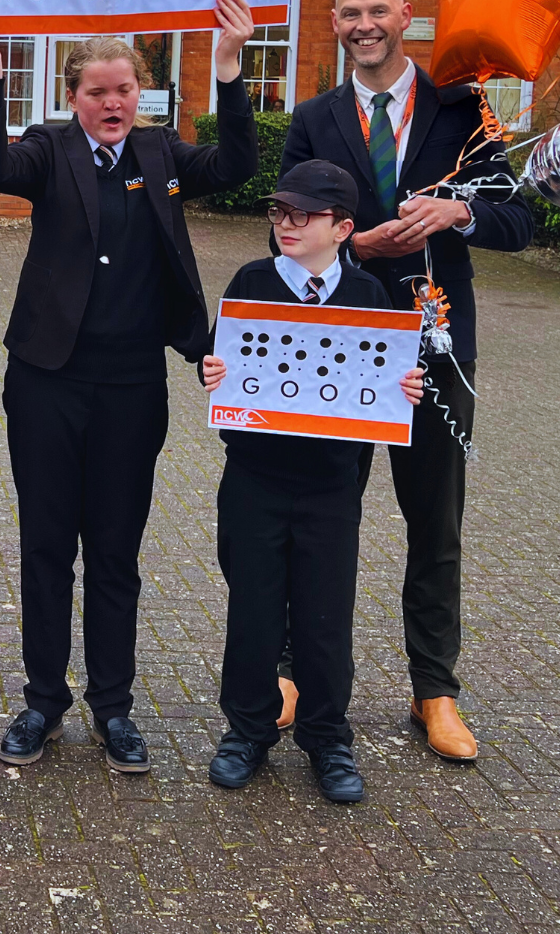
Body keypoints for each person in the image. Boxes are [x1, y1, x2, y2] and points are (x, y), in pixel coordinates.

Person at [0, 0, 259, 774]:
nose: (113, 102)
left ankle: (114, 707)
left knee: (117, 552)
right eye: (97, 91)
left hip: (132, 385)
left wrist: (228, 68)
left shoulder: (160, 155)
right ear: (72, 97)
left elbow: (235, 166)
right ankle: (42, 701)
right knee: (47, 544)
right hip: (47, 382)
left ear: (141, 93)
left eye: (124, 88)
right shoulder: (46, 149)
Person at [278, 0, 534, 762]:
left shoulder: (464, 107)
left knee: (436, 521)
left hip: (437, 338)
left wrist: (460, 211)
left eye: (378, 10)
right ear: (334, 21)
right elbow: (280, 232)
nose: (365, 23)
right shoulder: (314, 117)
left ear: (406, 16)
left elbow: (520, 216)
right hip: (341, 337)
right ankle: (294, 673)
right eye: (350, 12)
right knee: (320, 516)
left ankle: (435, 689)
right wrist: (355, 244)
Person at [200, 159, 426, 805]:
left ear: (344, 226)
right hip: (255, 477)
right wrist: (212, 371)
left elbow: (382, 387)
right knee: (254, 609)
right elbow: (221, 363)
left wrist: (404, 388)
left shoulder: (368, 296)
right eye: (279, 212)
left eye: (304, 214)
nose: (287, 224)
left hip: (330, 485)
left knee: (326, 616)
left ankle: (327, 735)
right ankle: (247, 728)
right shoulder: (251, 280)